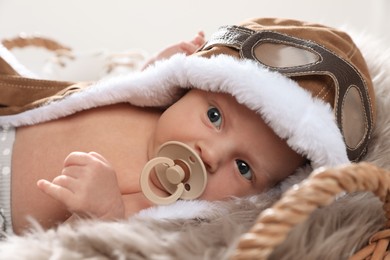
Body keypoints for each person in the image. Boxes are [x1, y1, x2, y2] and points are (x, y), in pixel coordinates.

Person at [0, 17, 375, 236]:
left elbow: (100, 238)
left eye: (243, 168)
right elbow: (113, 91)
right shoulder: (148, 103)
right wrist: (155, 66)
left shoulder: (163, 195)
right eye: (214, 117)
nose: (210, 155)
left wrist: (104, 209)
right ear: (185, 87)